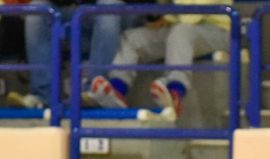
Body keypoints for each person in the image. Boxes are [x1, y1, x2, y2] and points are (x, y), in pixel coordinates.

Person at [87, 2, 230, 118]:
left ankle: (175, 93)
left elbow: (193, 13)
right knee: (132, 39)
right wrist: (157, 15)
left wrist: (167, 15)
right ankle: (117, 89)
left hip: (218, 29)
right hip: (178, 27)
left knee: (181, 32)